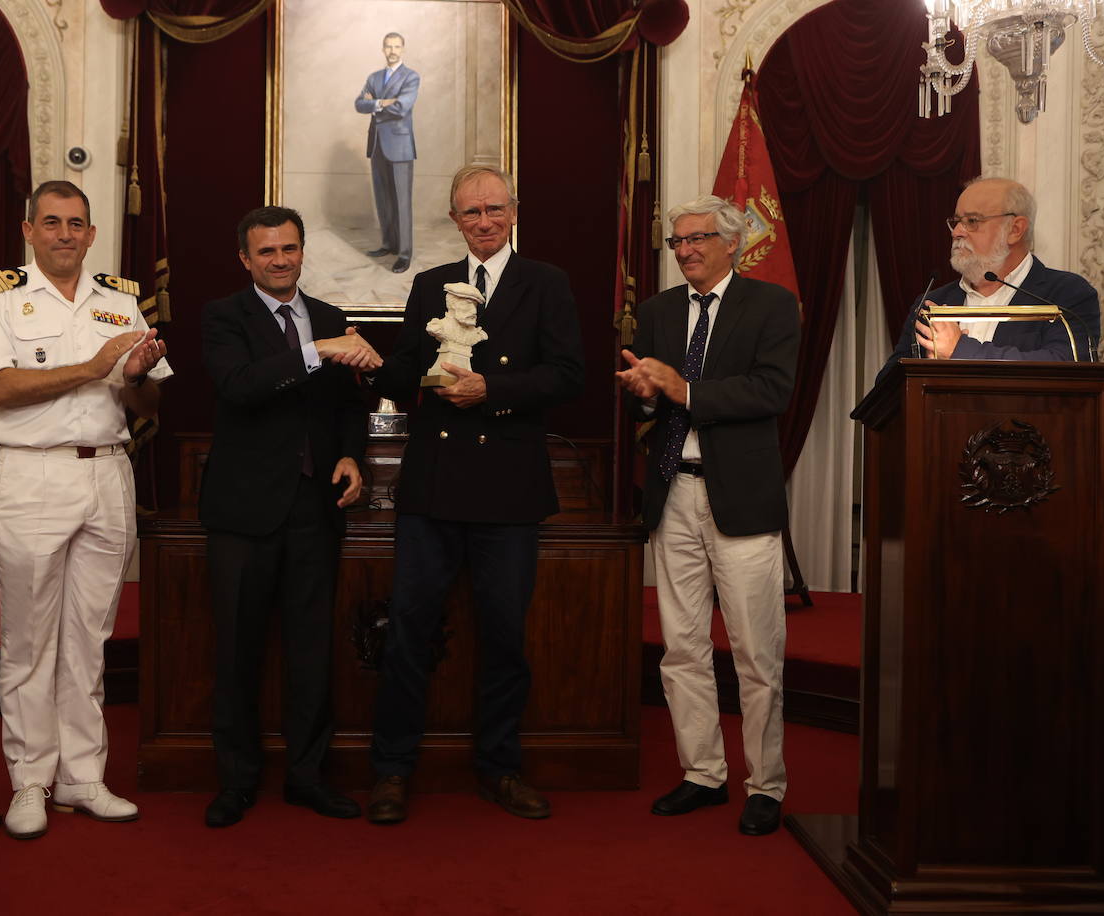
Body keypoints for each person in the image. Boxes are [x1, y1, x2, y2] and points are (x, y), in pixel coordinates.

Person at [366, 164, 585, 824]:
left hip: (509, 487)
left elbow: (569, 375)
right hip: (433, 486)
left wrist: (495, 391)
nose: (483, 221)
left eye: (494, 209)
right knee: (407, 634)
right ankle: (393, 770)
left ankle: (499, 767)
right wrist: (370, 359)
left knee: (504, 637)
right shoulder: (432, 284)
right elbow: (408, 366)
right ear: (454, 220)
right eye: (470, 213)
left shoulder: (546, 284)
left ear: (514, 211)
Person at [0, 180, 171, 840]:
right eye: (51, 223)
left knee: (90, 637)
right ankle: (29, 780)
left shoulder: (120, 301)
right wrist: (92, 365)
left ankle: (82, 776)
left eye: (76, 224)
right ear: (29, 231)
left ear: (91, 234)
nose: (64, 234)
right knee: (28, 640)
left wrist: (134, 376)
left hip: (107, 474)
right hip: (32, 476)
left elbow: (147, 409)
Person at [616, 195, 799, 836]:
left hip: (741, 499)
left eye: (698, 239)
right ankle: (702, 774)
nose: (687, 250)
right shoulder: (661, 312)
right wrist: (644, 396)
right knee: (681, 649)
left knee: (756, 653)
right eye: (678, 242)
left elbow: (773, 390)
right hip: (674, 495)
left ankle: (765, 784)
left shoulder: (771, 305)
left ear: (732, 242)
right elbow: (646, 401)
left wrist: (682, 390)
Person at [198, 206, 379, 828]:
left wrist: (354, 453)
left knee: (311, 652)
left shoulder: (330, 318)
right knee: (238, 652)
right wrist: (314, 352)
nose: (281, 260)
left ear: (303, 251)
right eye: (267, 252)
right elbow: (240, 386)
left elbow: (349, 404)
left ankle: (307, 777)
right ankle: (237, 782)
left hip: (313, 509)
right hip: (242, 514)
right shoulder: (224, 317)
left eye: (290, 249)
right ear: (245, 260)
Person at [879, 177, 1101, 381]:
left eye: (972, 221)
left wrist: (960, 351)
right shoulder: (931, 302)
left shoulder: (1067, 294)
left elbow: (1066, 368)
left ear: (1015, 229)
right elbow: (886, 387)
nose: (956, 232)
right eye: (956, 221)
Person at [354, 32, 420, 273]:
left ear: (403, 49)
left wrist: (375, 103)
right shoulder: (374, 77)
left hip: (401, 147)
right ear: (383, 49)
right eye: (388, 46)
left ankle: (404, 254)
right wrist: (383, 102)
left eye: (397, 46)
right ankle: (389, 244)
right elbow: (359, 104)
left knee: (401, 201)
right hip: (377, 144)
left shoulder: (411, 77)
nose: (392, 50)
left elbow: (403, 107)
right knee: (383, 199)